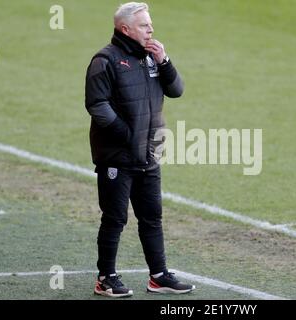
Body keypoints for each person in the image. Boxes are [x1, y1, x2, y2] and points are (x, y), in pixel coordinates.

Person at [85, 2, 195, 298]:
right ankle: (105, 278)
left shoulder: (151, 57)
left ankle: (158, 276)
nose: (151, 30)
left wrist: (165, 61)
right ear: (126, 29)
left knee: (151, 216)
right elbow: (97, 106)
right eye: (145, 25)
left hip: (148, 154)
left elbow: (177, 90)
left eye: (150, 25)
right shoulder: (105, 60)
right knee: (115, 218)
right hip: (117, 157)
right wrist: (127, 135)